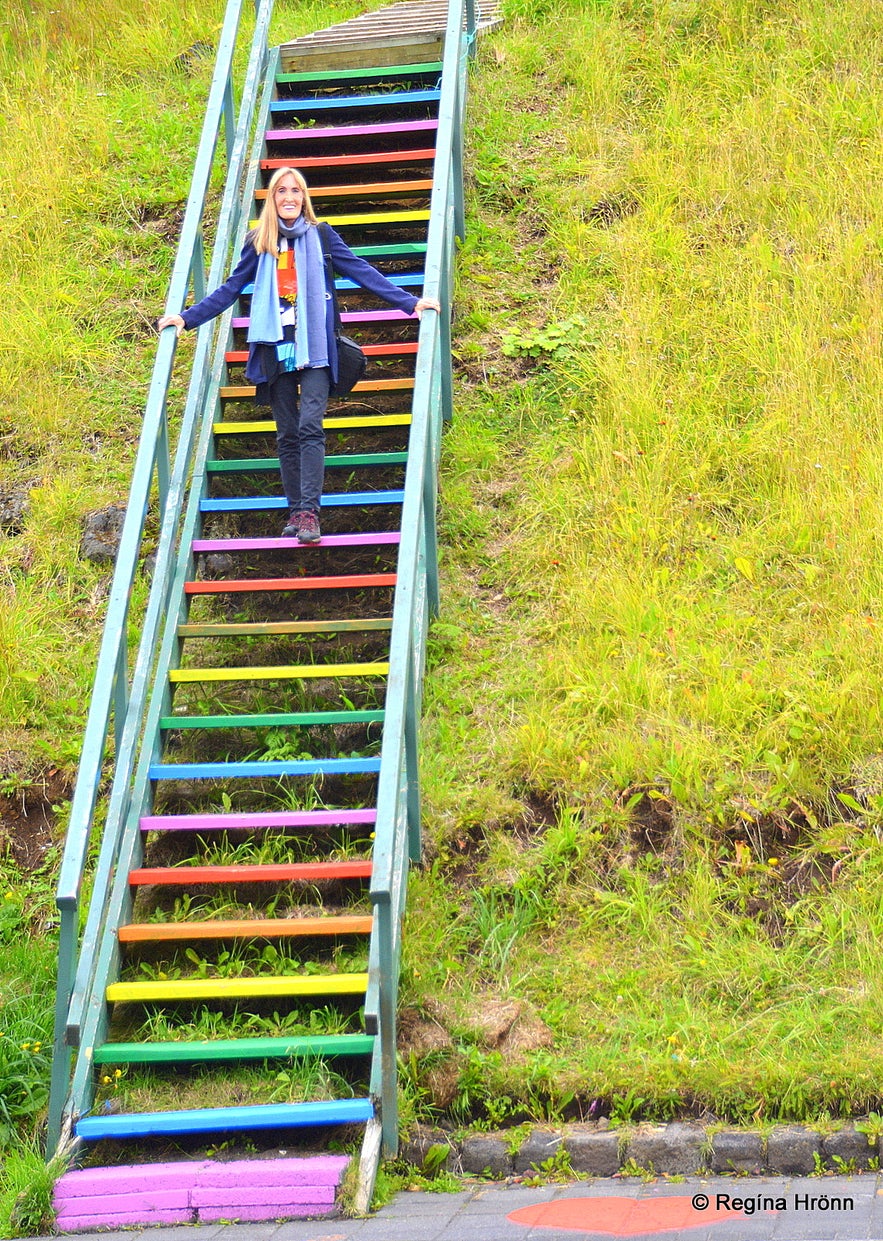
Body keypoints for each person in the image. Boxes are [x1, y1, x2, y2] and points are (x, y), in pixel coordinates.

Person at [158, 166, 440, 543]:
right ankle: (295, 511)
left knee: (310, 425)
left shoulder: (321, 236)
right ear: (271, 199)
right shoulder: (258, 242)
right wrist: (186, 318)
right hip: (276, 347)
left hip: (317, 348)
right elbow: (230, 288)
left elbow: (360, 270)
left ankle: (309, 514)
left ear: (304, 198)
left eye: (296, 191)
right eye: (281, 191)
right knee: (287, 433)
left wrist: (410, 303)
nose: (289, 197)